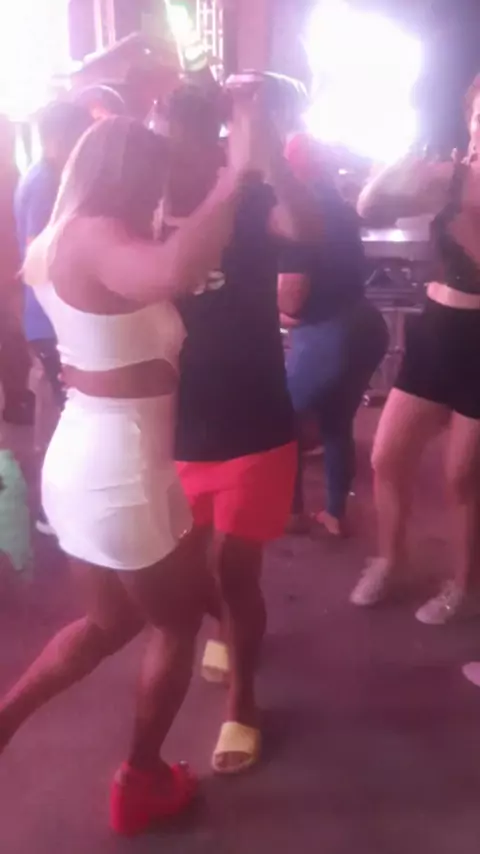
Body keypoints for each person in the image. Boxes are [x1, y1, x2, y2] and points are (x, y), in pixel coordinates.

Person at [0, 112, 261, 834]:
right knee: (173, 627)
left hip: (90, 459)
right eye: (154, 180)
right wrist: (233, 180)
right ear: (127, 176)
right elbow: (175, 271)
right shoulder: (95, 238)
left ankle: (4, 721)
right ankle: (142, 780)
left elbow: (170, 265)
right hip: (121, 472)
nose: (159, 195)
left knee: (108, 621)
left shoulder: (63, 236)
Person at [161, 83, 321, 775]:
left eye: (199, 139)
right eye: (169, 139)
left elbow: (307, 230)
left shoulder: (250, 199)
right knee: (181, 570)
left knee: (235, 567)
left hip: (253, 418)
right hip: (171, 424)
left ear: (220, 141)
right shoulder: (143, 209)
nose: (179, 156)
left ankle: (243, 703)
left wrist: (268, 146)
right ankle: (227, 626)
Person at [350, 74, 480, 626]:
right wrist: (398, 166)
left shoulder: (457, 183)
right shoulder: (450, 177)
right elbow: (369, 207)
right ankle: (391, 559)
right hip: (435, 332)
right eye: (478, 115)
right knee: (387, 456)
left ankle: (463, 584)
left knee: (462, 477)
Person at [279, 134, 388, 536]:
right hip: (365, 325)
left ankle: (291, 513)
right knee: (336, 421)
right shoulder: (339, 205)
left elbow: (292, 298)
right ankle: (335, 513)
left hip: (329, 336)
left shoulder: (298, 215)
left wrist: (273, 310)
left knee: (283, 420)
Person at [15, 101, 93, 532]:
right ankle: (56, 511)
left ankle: (52, 505)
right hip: (52, 322)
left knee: (56, 413)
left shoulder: (46, 176)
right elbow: (39, 254)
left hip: (47, 320)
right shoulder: (47, 183)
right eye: (80, 136)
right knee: (71, 418)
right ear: (57, 138)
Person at [0, 114, 32, 425]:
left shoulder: (13, 173)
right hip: (9, 272)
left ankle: (16, 397)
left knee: (14, 341)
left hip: (12, 270)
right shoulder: (10, 174)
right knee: (13, 339)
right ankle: (15, 398)